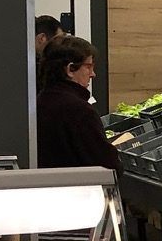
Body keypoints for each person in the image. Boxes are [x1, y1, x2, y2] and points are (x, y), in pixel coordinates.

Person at [37, 36, 119, 173]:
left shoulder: (40, 101)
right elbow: (107, 165)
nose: (93, 74)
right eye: (88, 67)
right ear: (70, 69)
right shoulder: (80, 111)